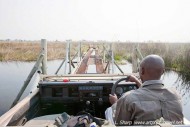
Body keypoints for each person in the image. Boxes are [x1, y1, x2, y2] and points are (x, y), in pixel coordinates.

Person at [109, 54, 184, 126]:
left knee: (108, 112)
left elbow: (120, 124)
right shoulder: (176, 96)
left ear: (142, 71)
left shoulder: (127, 98)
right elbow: (152, 94)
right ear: (163, 72)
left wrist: (115, 104)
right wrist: (137, 81)